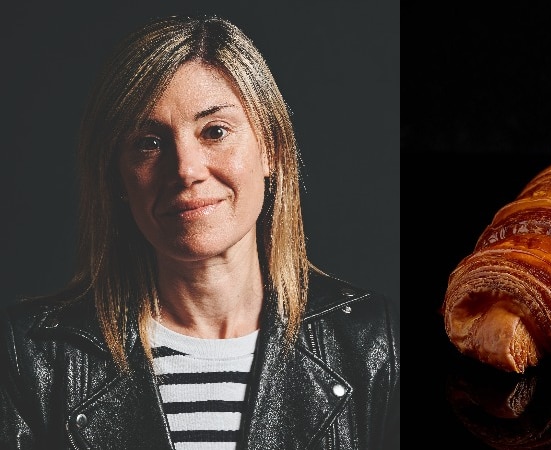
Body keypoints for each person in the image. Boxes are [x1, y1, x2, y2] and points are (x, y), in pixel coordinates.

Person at [0, 14, 399, 449]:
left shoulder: (373, 342)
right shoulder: (30, 357)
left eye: (215, 131)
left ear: (272, 150)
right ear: (115, 177)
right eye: (148, 142)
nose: (186, 170)